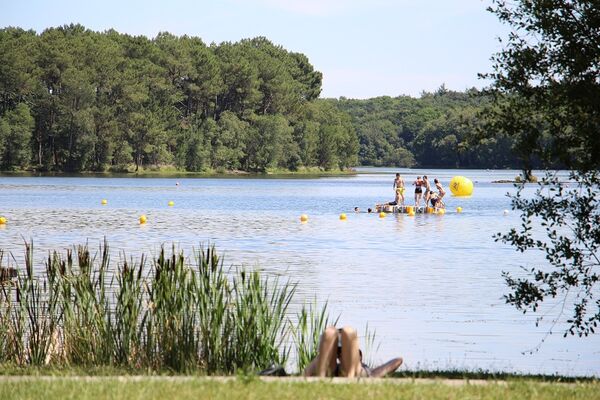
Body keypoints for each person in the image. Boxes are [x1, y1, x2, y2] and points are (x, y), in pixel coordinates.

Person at [304, 326, 403, 378]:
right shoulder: (369, 372)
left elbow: (398, 360)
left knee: (345, 331)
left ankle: (347, 377)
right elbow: (398, 361)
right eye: (339, 352)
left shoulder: (366, 370)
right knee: (332, 332)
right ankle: (349, 377)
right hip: (346, 372)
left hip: (352, 372)